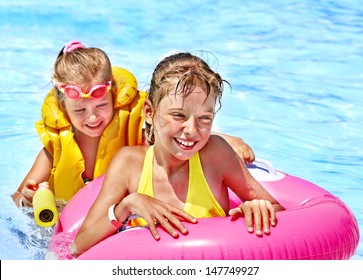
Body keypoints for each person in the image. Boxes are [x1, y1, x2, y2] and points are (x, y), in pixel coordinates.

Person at [70, 52, 284, 258]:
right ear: (149, 112)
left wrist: (258, 207)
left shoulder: (216, 155)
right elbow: (78, 246)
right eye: (178, 115)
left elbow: (280, 211)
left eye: (204, 118)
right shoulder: (129, 164)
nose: (191, 129)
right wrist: (127, 206)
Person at [11, 41, 255, 208]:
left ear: (114, 96)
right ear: (64, 108)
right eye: (80, 110)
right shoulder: (54, 150)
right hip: (71, 218)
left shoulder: (133, 130)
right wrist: (28, 198)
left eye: (101, 106)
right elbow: (17, 197)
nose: (92, 117)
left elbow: (178, 134)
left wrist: (229, 141)